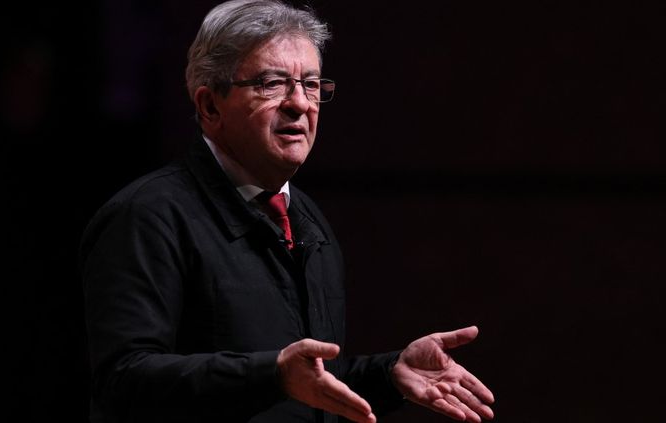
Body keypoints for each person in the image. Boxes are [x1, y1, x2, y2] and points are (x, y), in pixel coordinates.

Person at [79, 1, 495, 422]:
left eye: (311, 85)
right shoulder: (147, 217)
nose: (300, 104)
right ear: (209, 106)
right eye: (272, 83)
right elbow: (123, 382)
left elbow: (306, 381)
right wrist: (271, 373)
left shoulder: (309, 221)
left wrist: (388, 374)